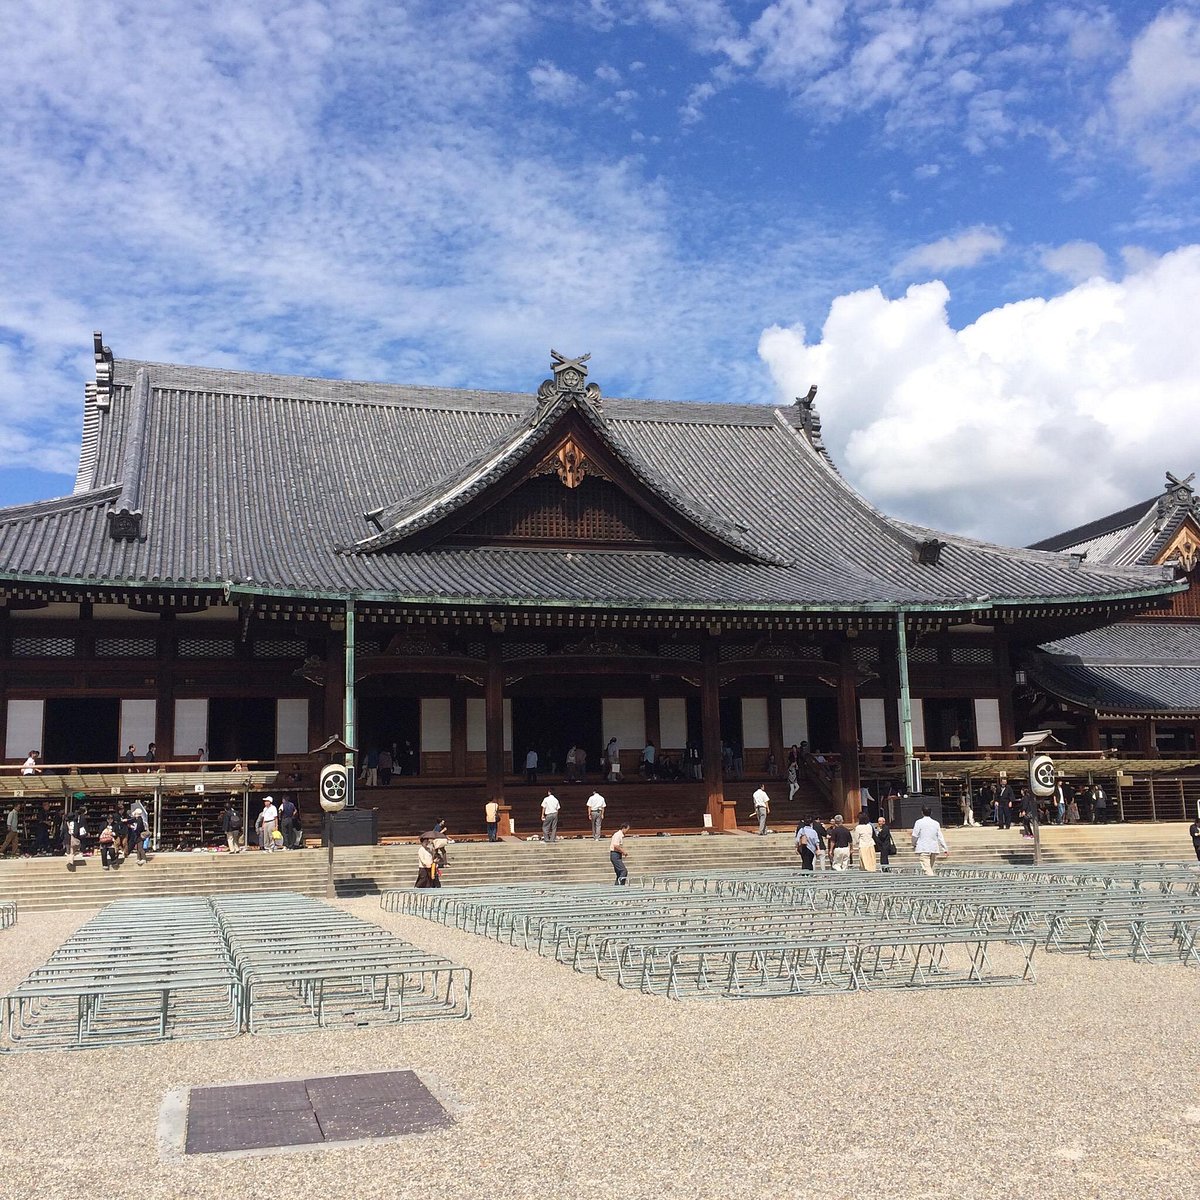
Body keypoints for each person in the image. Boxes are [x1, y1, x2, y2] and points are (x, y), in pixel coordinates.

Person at [912, 804, 949, 876]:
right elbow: (940, 836)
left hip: (923, 848)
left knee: (927, 869)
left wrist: (914, 843)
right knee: (930, 868)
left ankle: (934, 883)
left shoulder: (919, 822)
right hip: (933, 848)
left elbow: (915, 835)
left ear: (922, 812)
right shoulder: (936, 823)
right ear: (931, 813)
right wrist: (945, 848)